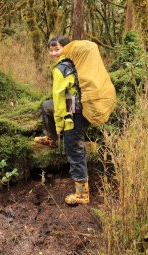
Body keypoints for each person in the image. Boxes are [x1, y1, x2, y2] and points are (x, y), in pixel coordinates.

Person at [34, 35, 91, 205]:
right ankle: (51, 138)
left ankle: (82, 195)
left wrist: (60, 126)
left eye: (56, 49)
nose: (53, 53)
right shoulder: (75, 62)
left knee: (75, 151)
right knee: (46, 106)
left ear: (66, 48)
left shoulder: (61, 69)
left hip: (74, 113)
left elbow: (60, 101)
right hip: (81, 107)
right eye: (50, 50)